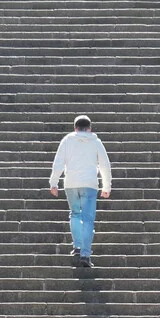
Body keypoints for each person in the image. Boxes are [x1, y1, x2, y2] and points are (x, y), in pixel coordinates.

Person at [48, 114, 112, 268]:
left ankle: (77, 246)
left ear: (75, 128)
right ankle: (85, 254)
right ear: (89, 128)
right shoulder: (96, 142)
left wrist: (53, 182)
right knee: (88, 219)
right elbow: (104, 165)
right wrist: (106, 186)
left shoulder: (67, 140)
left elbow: (58, 162)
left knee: (75, 214)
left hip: (71, 183)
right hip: (89, 184)